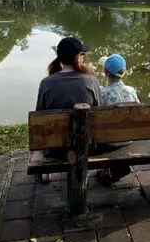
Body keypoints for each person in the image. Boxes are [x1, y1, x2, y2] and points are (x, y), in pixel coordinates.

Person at [36, 36, 100, 183]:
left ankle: (47, 170)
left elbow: (40, 116)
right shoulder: (92, 81)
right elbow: (98, 113)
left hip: (55, 150)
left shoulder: (46, 83)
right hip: (87, 148)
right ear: (78, 58)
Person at [96, 53, 138, 186]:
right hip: (129, 138)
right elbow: (139, 112)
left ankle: (109, 170)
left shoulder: (101, 93)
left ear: (105, 72)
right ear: (123, 72)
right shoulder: (131, 91)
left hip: (109, 141)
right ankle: (117, 168)